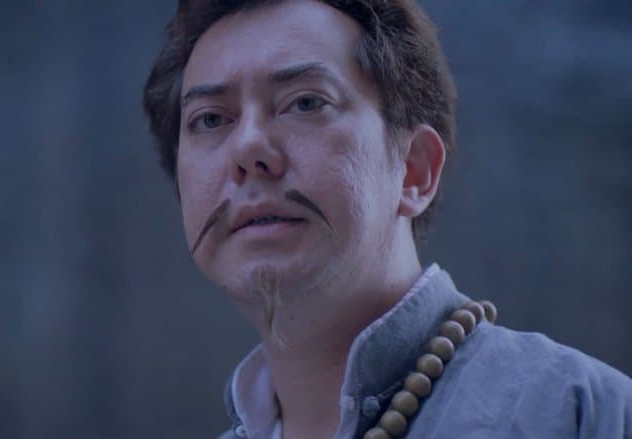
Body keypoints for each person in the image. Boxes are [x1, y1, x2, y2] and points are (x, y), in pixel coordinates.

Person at [143, 0, 632, 437]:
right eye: (211, 119)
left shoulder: (580, 414)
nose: (248, 148)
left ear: (414, 170)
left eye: (306, 102)